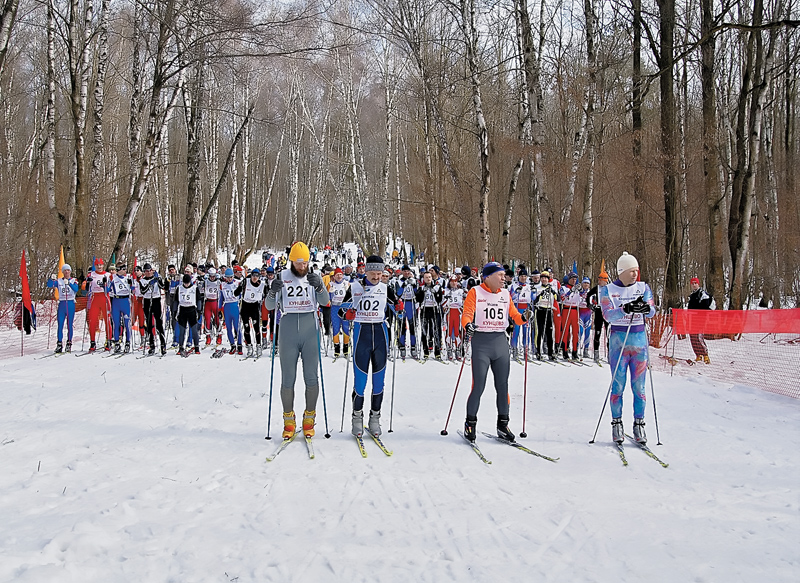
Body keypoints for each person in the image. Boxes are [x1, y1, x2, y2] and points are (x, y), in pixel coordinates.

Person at [264, 242, 330, 439]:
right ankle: (288, 419)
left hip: (310, 327)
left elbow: (326, 301)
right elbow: (269, 306)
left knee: (311, 377)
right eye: (299, 263)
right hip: (288, 327)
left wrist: (319, 287)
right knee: (288, 379)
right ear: (291, 261)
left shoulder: (313, 277)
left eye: (305, 262)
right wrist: (273, 291)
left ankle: (309, 417)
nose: (302, 267)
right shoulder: (281, 277)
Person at [461, 262, 531, 442]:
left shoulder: (506, 294)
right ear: (488, 277)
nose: (503, 278)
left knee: (503, 386)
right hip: (481, 343)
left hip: (500, 342)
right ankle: (470, 423)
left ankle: (503, 424)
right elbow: (467, 314)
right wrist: (468, 325)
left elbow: (514, 315)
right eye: (500, 275)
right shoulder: (475, 292)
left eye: (504, 276)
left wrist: (523, 318)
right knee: (479, 386)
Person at [339, 255, 403, 437]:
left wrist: (399, 308)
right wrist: (347, 314)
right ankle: (356, 416)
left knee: (378, 382)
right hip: (362, 334)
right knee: (360, 382)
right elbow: (342, 310)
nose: (376, 277)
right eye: (373, 273)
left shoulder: (386, 288)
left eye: (379, 273)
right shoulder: (355, 287)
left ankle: (374, 417)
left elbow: (397, 308)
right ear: (365, 271)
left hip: (381, 334)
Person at [599, 252, 656, 444]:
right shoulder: (607, 290)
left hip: (639, 343)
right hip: (618, 343)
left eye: (636, 271)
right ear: (622, 271)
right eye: (631, 271)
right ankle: (617, 423)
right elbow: (607, 315)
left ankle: (639, 424)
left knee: (639, 387)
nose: (635, 275)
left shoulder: (643, 287)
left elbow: (652, 309)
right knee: (618, 386)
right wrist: (626, 308)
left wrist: (645, 309)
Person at [47, 264, 79, 353]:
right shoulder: (59, 281)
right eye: (65, 270)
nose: (67, 272)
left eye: (68, 270)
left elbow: (76, 289)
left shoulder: (74, 280)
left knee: (69, 325)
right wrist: (51, 279)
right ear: (63, 272)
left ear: (70, 271)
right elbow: (49, 285)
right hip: (62, 304)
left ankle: (69, 343)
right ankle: (59, 344)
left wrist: (69, 283)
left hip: (70, 303)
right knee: (60, 325)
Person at [138, 263, 168, 355]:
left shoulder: (157, 278)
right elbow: (142, 291)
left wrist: (165, 281)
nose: (149, 273)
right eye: (146, 271)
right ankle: (151, 345)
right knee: (149, 324)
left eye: (150, 271)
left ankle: (163, 345)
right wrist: (148, 285)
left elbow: (164, 288)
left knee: (159, 323)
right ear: (144, 272)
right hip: (147, 302)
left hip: (156, 301)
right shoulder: (142, 281)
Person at [85, 257, 113, 351]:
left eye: (100, 265)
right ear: (95, 266)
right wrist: (88, 283)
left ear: (103, 265)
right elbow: (86, 288)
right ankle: (92, 342)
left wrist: (105, 285)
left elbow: (110, 288)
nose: (99, 267)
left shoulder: (108, 275)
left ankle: (109, 340)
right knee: (92, 320)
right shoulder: (91, 274)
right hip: (94, 298)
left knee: (107, 320)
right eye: (97, 265)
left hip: (104, 298)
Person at [416, 271, 444, 360]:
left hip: (434, 309)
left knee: (436, 330)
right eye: (426, 277)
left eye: (429, 277)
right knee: (424, 330)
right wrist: (421, 293)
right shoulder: (421, 287)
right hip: (425, 309)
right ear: (423, 279)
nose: (428, 279)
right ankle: (425, 351)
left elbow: (440, 299)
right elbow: (418, 299)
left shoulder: (437, 286)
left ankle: (437, 351)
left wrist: (435, 293)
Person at [585, 270, 610, 362]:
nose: (599, 281)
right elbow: (588, 295)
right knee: (597, 332)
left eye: (600, 280)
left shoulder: (610, 288)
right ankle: (596, 353)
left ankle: (610, 355)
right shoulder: (596, 288)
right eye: (598, 280)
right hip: (599, 311)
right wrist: (589, 305)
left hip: (607, 312)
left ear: (605, 280)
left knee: (609, 334)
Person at [108, 263, 133, 353]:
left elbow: (133, 289)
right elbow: (106, 290)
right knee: (116, 324)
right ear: (119, 270)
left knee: (127, 324)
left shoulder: (128, 277)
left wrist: (131, 284)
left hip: (125, 301)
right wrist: (104, 284)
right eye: (123, 269)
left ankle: (128, 342)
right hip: (116, 301)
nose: (125, 271)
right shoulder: (112, 278)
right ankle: (117, 343)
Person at [241, 268, 266, 357]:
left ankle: (258, 346)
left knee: (256, 328)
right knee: (247, 328)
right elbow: (236, 293)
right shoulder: (246, 282)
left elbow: (268, 293)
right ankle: (249, 346)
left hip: (254, 306)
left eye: (257, 276)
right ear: (251, 276)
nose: (255, 278)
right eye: (253, 276)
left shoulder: (262, 284)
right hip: (245, 306)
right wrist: (241, 287)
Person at [510, 267, 534, 360]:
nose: (523, 278)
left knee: (526, 332)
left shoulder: (529, 287)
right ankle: (515, 350)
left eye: (525, 276)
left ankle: (526, 351)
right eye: (521, 276)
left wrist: (533, 293)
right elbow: (510, 297)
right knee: (516, 331)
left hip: (526, 309)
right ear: (518, 277)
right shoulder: (514, 285)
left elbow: (533, 298)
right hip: (517, 309)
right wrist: (516, 293)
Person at [688, 276, 712, 364]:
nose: (694, 285)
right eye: (692, 284)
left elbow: (706, 306)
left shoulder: (703, 294)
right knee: (692, 337)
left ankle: (705, 354)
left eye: (695, 283)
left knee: (699, 336)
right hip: (692, 320)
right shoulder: (692, 296)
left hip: (701, 319)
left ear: (698, 284)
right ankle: (698, 355)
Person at [533, 271, 556, 361]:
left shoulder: (552, 288)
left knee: (549, 333)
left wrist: (553, 292)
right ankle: (538, 351)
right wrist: (542, 294)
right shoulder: (537, 288)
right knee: (540, 332)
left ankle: (551, 352)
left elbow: (557, 298)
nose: (544, 279)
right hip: (540, 310)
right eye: (542, 278)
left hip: (549, 310)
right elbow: (535, 301)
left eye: (545, 278)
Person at [176, 273, 201, 355]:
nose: (186, 285)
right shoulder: (179, 288)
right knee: (182, 330)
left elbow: (198, 300)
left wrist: (199, 310)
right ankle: (180, 347)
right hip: (182, 310)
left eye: (188, 283)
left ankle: (196, 346)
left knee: (194, 330)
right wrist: (174, 311)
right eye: (185, 283)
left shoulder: (195, 288)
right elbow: (176, 301)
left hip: (192, 310)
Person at [220, 268, 243, 354]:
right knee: (229, 328)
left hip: (235, 306)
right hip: (227, 306)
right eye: (227, 277)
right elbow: (221, 298)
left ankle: (239, 345)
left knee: (237, 327)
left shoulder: (237, 283)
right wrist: (219, 309)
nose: (229, 279)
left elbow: (241, 295)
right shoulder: (223, 285)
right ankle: (232, 345)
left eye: (231, 277)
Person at [442, 275, 465, 361]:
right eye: (452, 281)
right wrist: (446, 300)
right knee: (448, 331)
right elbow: (442, 303)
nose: (454, 283)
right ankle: (449, 349)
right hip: (449, 312)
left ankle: (458, 349)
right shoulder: (446, 290)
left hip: (458, 312)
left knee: (457, 332)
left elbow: (464, 302)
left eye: (455, 281)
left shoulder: (460, 291)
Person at [203, 267, 223, 346]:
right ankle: (208, 336)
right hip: (208, 302)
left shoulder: (218, 282)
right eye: (210, 276)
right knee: (207, 320)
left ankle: (219, 335)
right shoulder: (206, 281)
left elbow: (222, 291)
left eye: (213, 276)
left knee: (217, 320)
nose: (212, 277)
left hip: (215, 302)